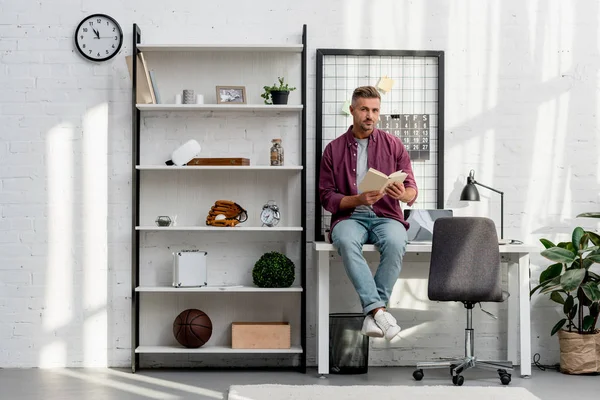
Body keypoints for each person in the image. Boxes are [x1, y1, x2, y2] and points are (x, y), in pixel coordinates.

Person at [319, 86, 418, 341]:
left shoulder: (393, 144)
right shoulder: (333, 149)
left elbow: (412, 191)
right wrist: (357, 199)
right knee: (344, 240)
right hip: (351, 217)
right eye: (364, 109)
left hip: (387, 215)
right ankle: (379, 310)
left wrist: (401, 194)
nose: (370, 116)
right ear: (352, 110)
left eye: (375, 110)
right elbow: (326, 197)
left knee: (397, 242)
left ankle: (374, 313)